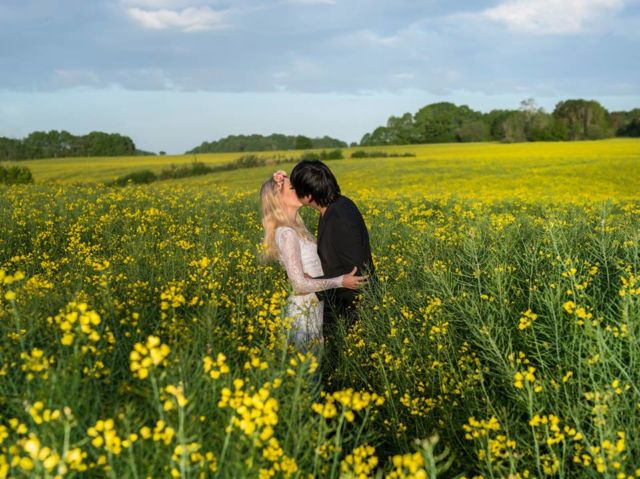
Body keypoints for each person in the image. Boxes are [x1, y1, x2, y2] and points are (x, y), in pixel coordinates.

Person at [259, 170, 364, 351]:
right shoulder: (287, 233)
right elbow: (299, 284)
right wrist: (341, 281)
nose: (301, 189)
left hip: (314, 305)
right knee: (306, 370)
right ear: (278, 199)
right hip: (303, 311)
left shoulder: (298, 228)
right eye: (293, 187)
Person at [289, 160, 374, 375]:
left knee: (348, 370)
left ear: (308, 195)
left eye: (296, 189)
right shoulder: (337, 206)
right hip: (340, 304)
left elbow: (356, 275)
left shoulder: (339, 218)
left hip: (350, 310)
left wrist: (316, 286)